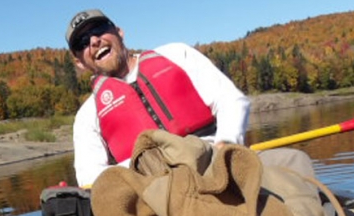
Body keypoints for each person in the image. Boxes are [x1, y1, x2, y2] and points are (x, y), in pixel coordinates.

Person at [66, 9, 251, 187]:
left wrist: (226, 145)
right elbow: (89, 177)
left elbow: (230, 100)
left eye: (99, 29)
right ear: (79, 62)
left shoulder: (177, 54)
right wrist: (151, 168)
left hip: (215, 161)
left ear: (119, 32)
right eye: (82, 42)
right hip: (154, 192)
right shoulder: (86, 117)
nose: (94, 41)